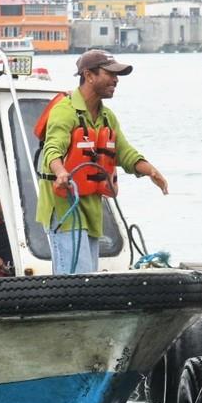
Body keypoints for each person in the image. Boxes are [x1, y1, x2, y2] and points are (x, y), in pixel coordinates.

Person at [37, 49, 168, 274]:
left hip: (92, 208)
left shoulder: (107, 117)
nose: (116, 80)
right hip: (64, 207)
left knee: (88, 275)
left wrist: (151, 171)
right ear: (89, 75)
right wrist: (60, 172)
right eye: (110, 74)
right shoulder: (64, 110)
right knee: (77, 276)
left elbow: (124, 152)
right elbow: (52, 148)